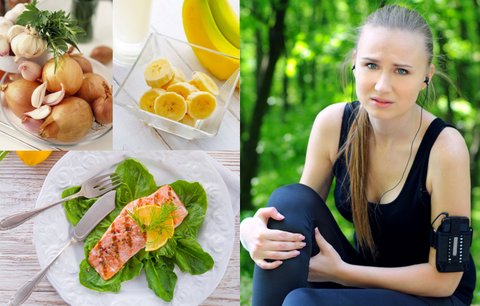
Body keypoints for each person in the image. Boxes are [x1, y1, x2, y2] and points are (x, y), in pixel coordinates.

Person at [240, 4, 476, 306]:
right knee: (289, 199)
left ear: (426, 76)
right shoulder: (333, 124)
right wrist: (249, 232)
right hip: (360, 278)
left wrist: (344, 274)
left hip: (431, 295)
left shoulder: (445, 148)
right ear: (355, 62)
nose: (381, 85)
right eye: (371, 65)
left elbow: (444, 280)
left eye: (401, 70)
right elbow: (296, 216)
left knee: (303, 303)